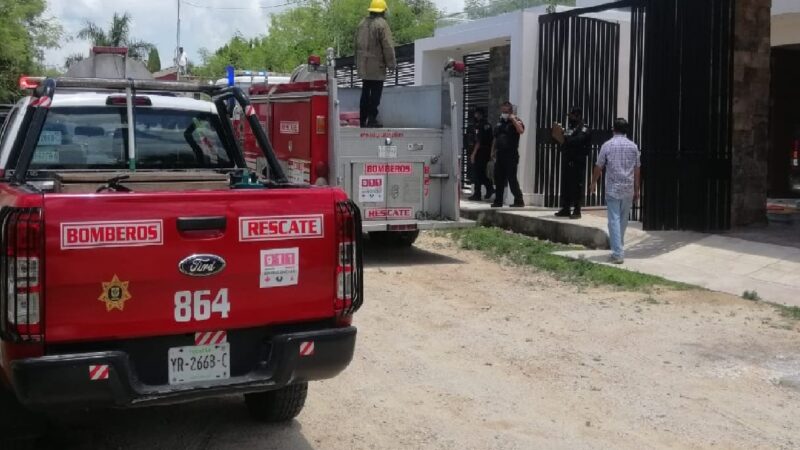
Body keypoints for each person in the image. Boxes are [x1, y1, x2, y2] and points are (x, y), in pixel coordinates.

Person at [590, 118, 641, 264]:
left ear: (614, 129)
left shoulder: (607, 145)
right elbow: (637, 169)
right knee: (623, 221)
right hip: (628, 188)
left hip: (613, 188)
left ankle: (617, 253)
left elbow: (599, 166)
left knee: (614, 221)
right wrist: (637, 189)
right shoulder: (633, 146)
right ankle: (619, 247)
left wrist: (593, 182)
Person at [355, 0, 396, 128]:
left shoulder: (362, 24)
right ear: (383, 11)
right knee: (375, 93)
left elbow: (356, 45)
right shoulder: (382, 24)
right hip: (377, 65)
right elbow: (387, 46)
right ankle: (372, 119)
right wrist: (391, 64)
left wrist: (358, 63)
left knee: (365, 92)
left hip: (364, 65)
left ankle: (362, 120)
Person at [552, 106, 591, 219]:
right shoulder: (570, 128)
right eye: (569, 116)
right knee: (566, 185)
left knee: (576, 186)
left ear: (578, 116)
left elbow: (578, 140)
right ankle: (566, 208)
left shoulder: (584, 128)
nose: (570, 118)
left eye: (572, 116)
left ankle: (577, 210)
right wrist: (560, 134)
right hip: (567, 159)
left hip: (577, 161)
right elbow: (565, 140)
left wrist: (565, 138)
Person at [491, 101, 525, 208]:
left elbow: (521, 130)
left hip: (511, 154)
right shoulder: (500, 122)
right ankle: (498, 201)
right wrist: (492, 151)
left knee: (511, 178)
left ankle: (519, 200)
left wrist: (513, 119)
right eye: (503, 111)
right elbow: (495, 138)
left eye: (506, 111)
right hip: (500, 154)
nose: (504, 113)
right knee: (499, 178)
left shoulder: (516, 121)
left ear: (510, 111)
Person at [468, 108, 495, 201]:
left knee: (477, 173)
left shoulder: (480, 125)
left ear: (479, 114)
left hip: (480, 152)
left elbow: (478, 141)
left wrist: (473, 154)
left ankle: (478, 193)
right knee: (482, 172)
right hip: (486, 151)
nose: (475, 115)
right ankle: (489, 189)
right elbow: (491, 140)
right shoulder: (488, 125)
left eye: (476, 114)